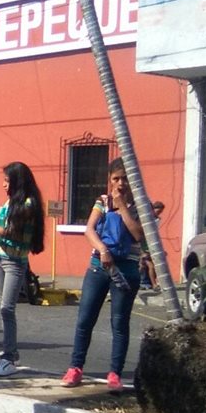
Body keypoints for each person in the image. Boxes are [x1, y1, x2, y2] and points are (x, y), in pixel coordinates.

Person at [63, 158, 144, 390]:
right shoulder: (102, 201)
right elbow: (89, 229)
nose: (120, 183)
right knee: (85, 319)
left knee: (119, 323)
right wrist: (102, 250)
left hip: (126, 270)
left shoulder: (141, 205)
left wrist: (123, 208)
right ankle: (75, 367)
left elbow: (139, 234)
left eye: (125, 178)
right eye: (116, 179)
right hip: (99, 266)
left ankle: (115, 373)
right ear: (109, 180)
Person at [0, 161, 46, 377]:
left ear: (18, 181)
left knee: (8, 309)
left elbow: (12, 231)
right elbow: (1, 230)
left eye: (7, 181)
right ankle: (8, 354)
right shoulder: (8, 204)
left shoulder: (29, 204)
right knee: (3, 309)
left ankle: (8, 357)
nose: (3, 185)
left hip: (15, 262)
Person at [139, 201, 166, 290]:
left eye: (160, 211)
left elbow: (155, 234)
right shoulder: (146, 220)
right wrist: (142, 251)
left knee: (149, 265)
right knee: (148, 265)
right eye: (158, 211)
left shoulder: (157, 220)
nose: (159, 213)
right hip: (143, 245)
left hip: (151, 245)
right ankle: (153, 284)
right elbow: (141, 235)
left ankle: (150, 282)